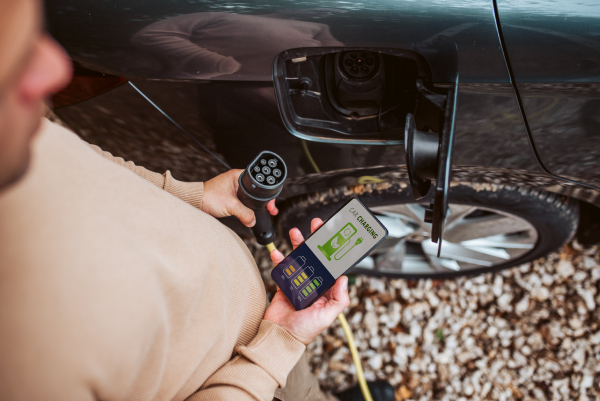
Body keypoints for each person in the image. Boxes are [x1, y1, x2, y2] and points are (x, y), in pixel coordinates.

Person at [0, 0, 353, 400]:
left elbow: (72, 153)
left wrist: (193, 194)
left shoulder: (17, 132)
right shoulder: (20, 371)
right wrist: (278, 346)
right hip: (248, 377)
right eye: (13, 68)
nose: (57, 69)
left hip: (263, 329)